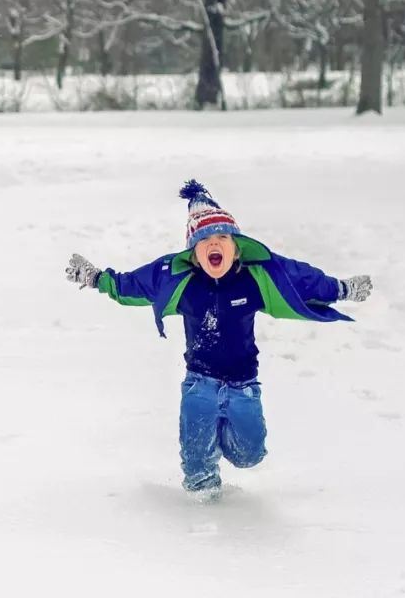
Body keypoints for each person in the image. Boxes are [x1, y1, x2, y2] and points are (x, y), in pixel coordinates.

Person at [64, 180, 373, 501]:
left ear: (236, 248)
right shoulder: (179, 280)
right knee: (199, 474)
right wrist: (96, 278)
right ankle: (205, 521)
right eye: (205, 240)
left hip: (243, 386)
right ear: (194, 254)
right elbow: (133, 285)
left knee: (250, 456)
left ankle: (223, 437)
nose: (215, 244)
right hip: (199, 386)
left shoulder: (253, 280)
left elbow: (302, 279)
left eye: (223, 238)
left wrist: (341, 289)